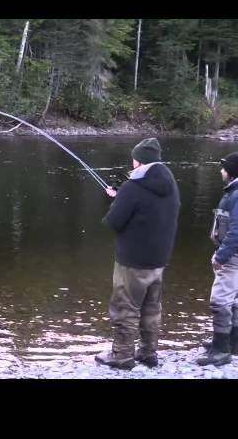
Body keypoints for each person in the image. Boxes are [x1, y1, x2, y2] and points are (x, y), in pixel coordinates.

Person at [95, 138, 181, 369]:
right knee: (152, 307)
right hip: (158, 259)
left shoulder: (133, 187)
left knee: (125, 307)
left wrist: (116, 201)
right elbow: (147, 207)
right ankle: (148, 353)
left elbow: (113, 222)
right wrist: (121, 196)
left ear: (138, 160)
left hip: (132, 261)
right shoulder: (169, 182)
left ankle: (122, 356)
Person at [197, 152, 238, 366]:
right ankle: (233, 343)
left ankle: (221, 350)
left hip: (231, 257)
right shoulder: (234, 192)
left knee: (220, 301)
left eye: (224, 168)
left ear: (231, 172)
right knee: (235, 300)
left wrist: (221, 257)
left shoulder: (236, 194)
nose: (221, 171)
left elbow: (236, 231)